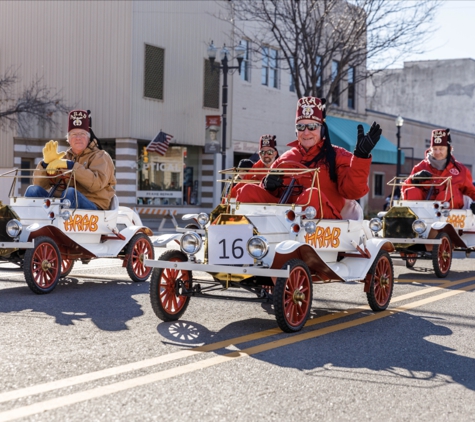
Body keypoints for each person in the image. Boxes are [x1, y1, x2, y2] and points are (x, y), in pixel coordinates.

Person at [236, 96, 382, 219]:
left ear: (322, 129)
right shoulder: (285, 159)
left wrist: (360, 157)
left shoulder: (338, 156)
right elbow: (275, 197)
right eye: (300, 127)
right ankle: (246, 238)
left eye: (312, 127)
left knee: (311, 194)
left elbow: (353, 192)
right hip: (285, 220)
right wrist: (269, 187)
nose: (306, 133)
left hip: (325, 224)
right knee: (247, 190)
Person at [25, 109, 116, 210]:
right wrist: (45, 164)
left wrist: (71, 166)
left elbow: (96, 184)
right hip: (62, 204)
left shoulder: (101, 156)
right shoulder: (63, 157)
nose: (78, 138)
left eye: (82, 134)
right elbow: (40, 185)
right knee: (32, 190)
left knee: (70, 193)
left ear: (88, 137)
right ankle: (30, 223)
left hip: (93, 208)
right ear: (68, 139)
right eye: (73, 134)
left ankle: (60, 221)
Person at [402, 128, 475, 208]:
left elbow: (471, 192)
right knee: (412, 191)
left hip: (452, 215)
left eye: (441, 149)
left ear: (449, 149)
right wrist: (413, 180)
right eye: (434, 149)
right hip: (422, 211)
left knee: (449, 193)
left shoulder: (460, 170)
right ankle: (412, 218)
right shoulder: (420, 167)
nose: (437, 152)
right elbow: (405, 189)